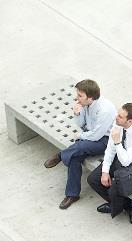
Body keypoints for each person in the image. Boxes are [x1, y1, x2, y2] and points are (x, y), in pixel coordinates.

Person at [45, 79, 116, 210]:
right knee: (74, 156)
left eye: (80, 95)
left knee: (80, 146)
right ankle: (72, 194)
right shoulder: (84, 104)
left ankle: (60, 156)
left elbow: (96, 136)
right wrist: (77, 113)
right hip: (91, 136)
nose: (76, 98)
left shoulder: (105, 110)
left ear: (90, 97)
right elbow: (81, 124)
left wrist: (81, 136)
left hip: (106, 141)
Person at [86, 103, 132, 223]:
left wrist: (118, 142)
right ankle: (120, 204)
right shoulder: (118, 124)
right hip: (123, 154)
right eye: (118, 114)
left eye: (120, 116)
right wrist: (105, 171)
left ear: (129, 121)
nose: (116, 117)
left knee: (115, 187)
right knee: (93, 179)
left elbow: (126, 161)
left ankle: (120, 204)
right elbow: (110, 150)